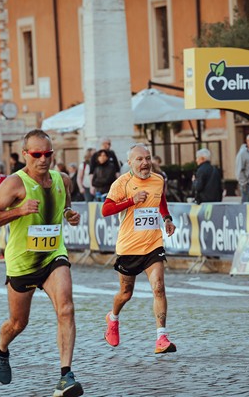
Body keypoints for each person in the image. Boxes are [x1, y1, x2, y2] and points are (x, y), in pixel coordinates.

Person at [0, 129, 84, 397]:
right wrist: (19, 211)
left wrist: (70, 216)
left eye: (47, 154)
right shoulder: (14, 184)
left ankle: (66, 376)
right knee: (18, 323)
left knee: (66, 308)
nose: (43, 159)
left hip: (53, 255)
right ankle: (1, 348)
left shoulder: (63, 180)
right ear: (25, 155)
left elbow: (65, 207)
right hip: (22, 262)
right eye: (36, 154)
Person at [101, 143, 177, 354]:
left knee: (159, 287)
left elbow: (160, 199)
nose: (145, 163)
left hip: (153, 244)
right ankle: (113, 318)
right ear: (130, 163)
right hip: (128, 247)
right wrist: (130, 201)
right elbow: (105, 210)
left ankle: (161, 337)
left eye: (147, 158)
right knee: (126, 294)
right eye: (139, 159)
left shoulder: (158, 179)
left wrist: (167, 218)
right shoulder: (122, 183)